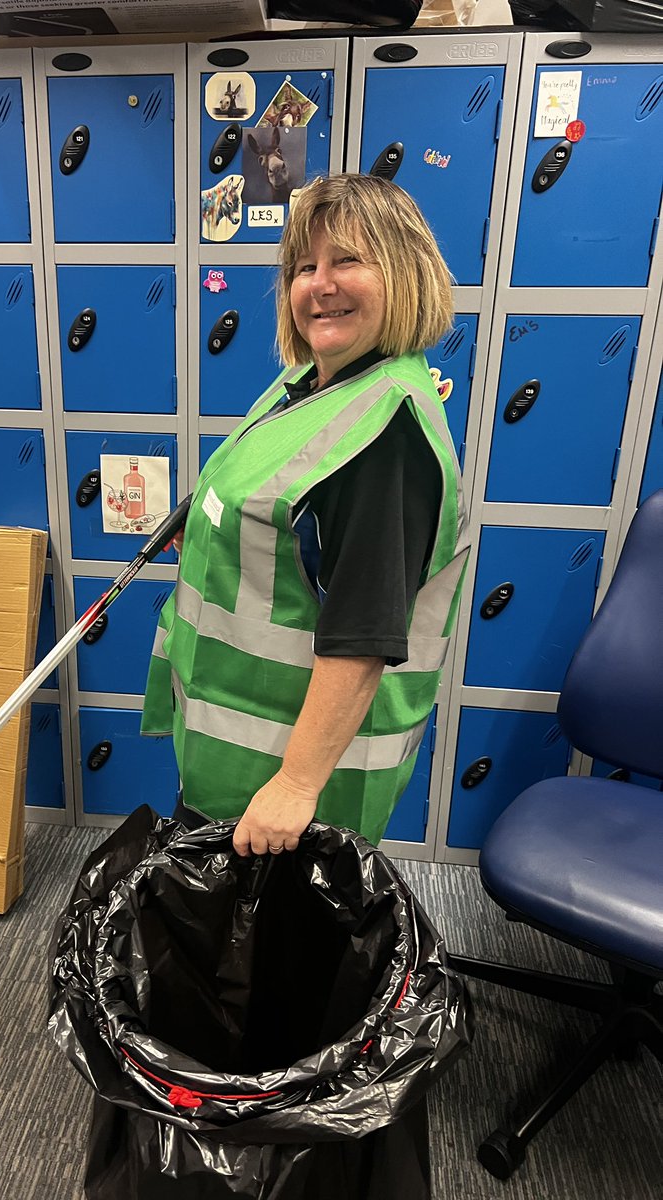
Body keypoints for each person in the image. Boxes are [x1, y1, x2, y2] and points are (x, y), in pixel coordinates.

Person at [141, 172, 470, 857]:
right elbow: (278, 511)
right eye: (304, 266)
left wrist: (294, 784)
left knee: (269, 961)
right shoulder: (310, 385)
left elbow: (364, 634)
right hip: (237, 752)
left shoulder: (384, 436)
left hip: (291, 786)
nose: (321, 284)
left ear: (404, 273)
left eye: (348, 260)